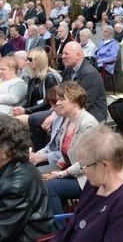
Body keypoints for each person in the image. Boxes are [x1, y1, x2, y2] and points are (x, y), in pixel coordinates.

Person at [37, 82, 100, 228]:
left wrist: (60, 174)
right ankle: (58, 219)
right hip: (73, 172)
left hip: (87, 177)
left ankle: (61, 230)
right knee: (37, 177)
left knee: (50, 187)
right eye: (57, 100)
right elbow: (66, 152)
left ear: (75, 100)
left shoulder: (88, 123)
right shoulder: (68, 120)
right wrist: (58, 167)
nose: (57, 103)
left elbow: (89, 162)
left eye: (61, 99)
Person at [28, 41, 107, 151]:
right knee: (34, 119)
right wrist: (55, 112)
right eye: (63, 54)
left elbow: (84, 103)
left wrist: (56, 116)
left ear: (78, 55)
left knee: (56, 122)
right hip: (67, 108)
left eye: (66, 54)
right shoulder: (68, 70)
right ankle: (41, 153)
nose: (63, 57)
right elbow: (60, 94)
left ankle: (52, 156)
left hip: (90, 112)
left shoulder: (89, 73)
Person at [10, 48, 62, 125]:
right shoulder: (33, 77)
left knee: (15, 121)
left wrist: (26, 110)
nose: (27, 62)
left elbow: (47, 102)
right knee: (8, 116)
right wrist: (19, 108)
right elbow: (27, 98)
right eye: (27, 59)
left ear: (39, 61)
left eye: (30, 59)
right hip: (32, 110)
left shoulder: (50, 77)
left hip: (46, 111)